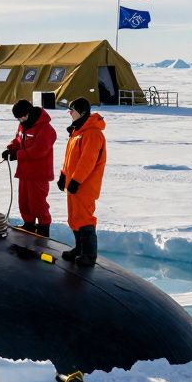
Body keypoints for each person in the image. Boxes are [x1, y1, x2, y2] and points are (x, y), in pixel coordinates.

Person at [59, 97, 107, 266]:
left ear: (82, 112)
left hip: (85, 185)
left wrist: (76, 180)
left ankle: (89, 254)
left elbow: (88, 161)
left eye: (72, 110)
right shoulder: (77, 132)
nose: (69, 113)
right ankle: (79, 249)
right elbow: (69, 159)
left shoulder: (92, 134)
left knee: (85, 218)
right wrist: (63, 175)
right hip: (73, 184)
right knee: (74, 217)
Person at [2, 99, 56, 236]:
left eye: (23, 116)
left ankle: (44, 228)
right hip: (24, 171)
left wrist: (18, 155)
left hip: (38, 173)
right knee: (24, 202)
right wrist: (11, 149)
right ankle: (29, 224)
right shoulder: (23, 125)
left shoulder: (45, 128)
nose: (21, 120)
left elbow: (40, 150)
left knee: (38, 203)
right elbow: (18, 140)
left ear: (29, 113)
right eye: (18, 118)